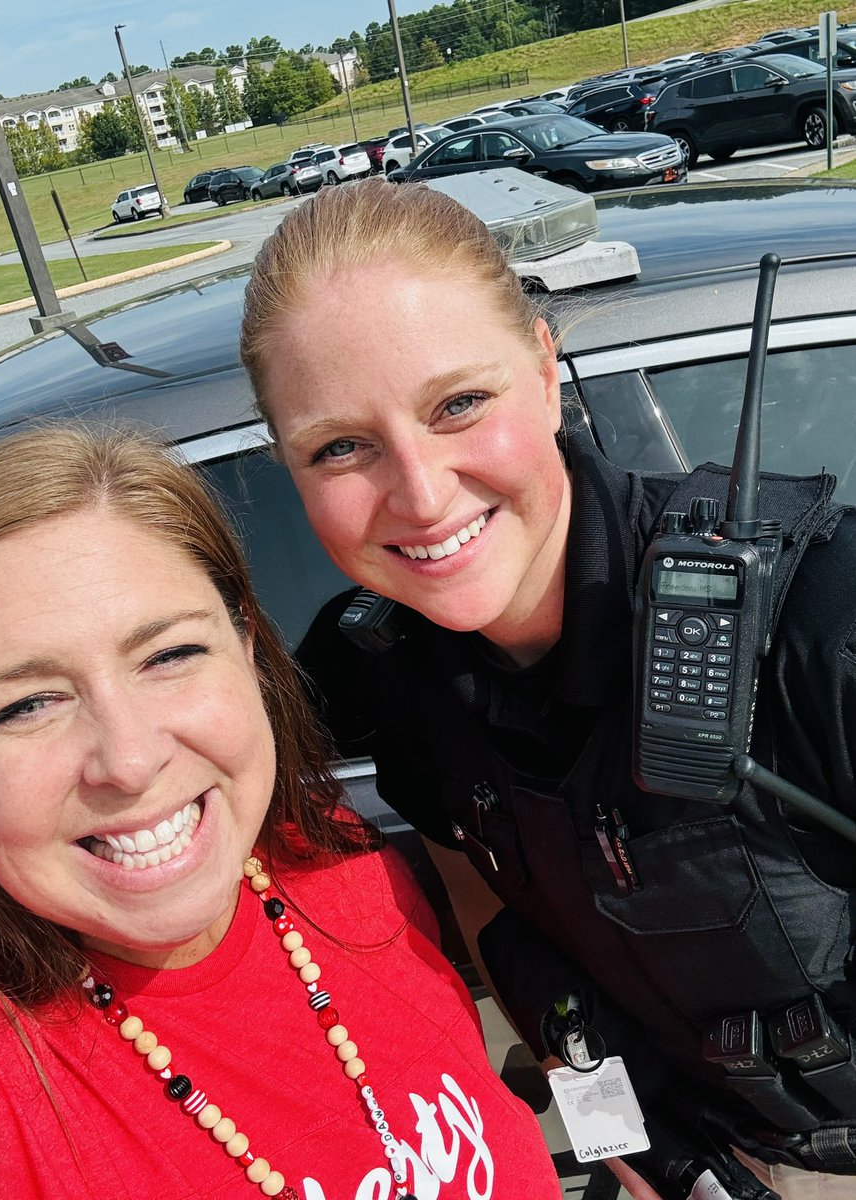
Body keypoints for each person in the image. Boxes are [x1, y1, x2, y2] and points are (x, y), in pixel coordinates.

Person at [239, 177, 856, 1200]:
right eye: (341, 446)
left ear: (543, 367)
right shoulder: (386, 673)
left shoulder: (824, 626)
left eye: (460, 404)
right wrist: (624, 1129)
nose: (423, 494)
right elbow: (495, 914)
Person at [0, 424, 562, 1200]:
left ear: (246, 646)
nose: (131, 762)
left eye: (168, 656)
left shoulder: (343, 871)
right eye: (27, 705)